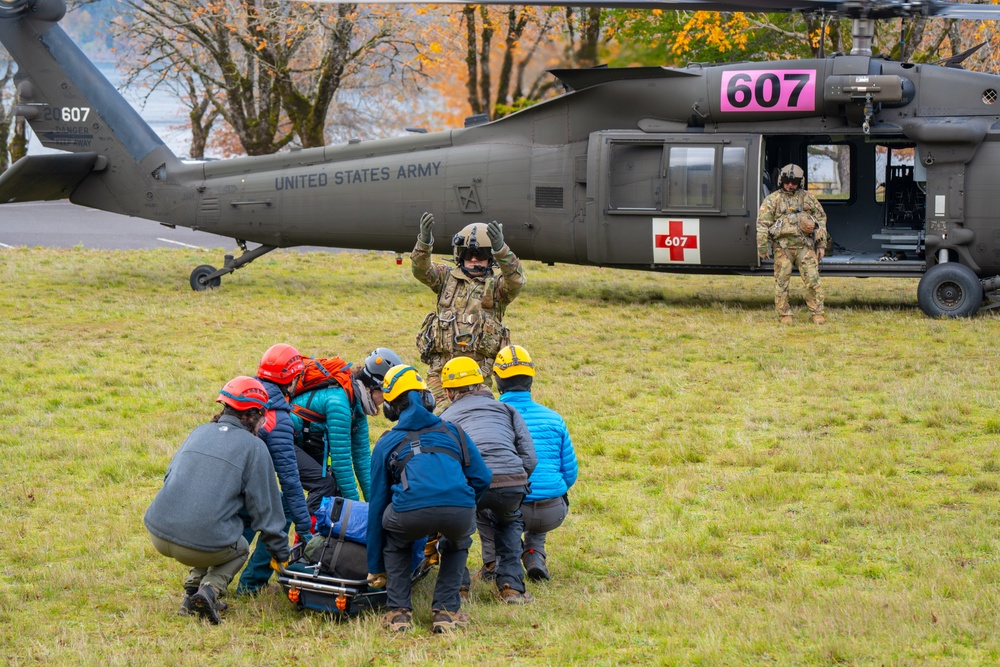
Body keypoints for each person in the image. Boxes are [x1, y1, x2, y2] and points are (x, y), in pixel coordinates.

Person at [144, 376, 290, 624]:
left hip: (158, 533)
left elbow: (169, 476)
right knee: (239, 546)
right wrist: (283, 555)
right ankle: (209, 591)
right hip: (198, 544)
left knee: (213, 527)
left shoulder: (199, 431)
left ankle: (191, 592)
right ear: (255, 414)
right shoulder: (255, 448)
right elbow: (268, 515)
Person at [367, 365, 492, 633]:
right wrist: (463, 507)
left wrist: (376, 566)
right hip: (459, 510)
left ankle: (398, 613)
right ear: (428, 399)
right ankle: (446, 611)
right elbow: (482, 477)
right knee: (457, 543)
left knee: (396, 540)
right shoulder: (454, 431)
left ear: (391, 410)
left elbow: (377, 504)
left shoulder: (387, 443)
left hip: (407, 514)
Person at [438, 356, 537, 604]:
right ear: (480, 384)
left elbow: (444, 460)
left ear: (449, 392)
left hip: (470, 484)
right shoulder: (507, 409)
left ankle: (458, 588)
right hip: (512, 480)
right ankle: (512, 588)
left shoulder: (445, 417)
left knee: (454, 530)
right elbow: (530, 457)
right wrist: (517, 481)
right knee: (509, 523)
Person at [411, 212, 526, 411]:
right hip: (441, 374)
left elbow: (516, 280)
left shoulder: (498, 287)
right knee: (442, 421)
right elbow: (420, 270)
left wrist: (501, 249)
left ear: (489, 258)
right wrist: (424, 241)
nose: (474, 260)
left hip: (478, 377)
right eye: (468, 254)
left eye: (480, 255)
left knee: (474, 420)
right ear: (459, 255)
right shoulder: (446, 278)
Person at [492, 344, 578, 582]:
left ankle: (493, 562)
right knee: (537, 512)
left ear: (497, 380)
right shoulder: (554, 418)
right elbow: (569, 473)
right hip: (554, 511)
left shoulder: (492, 417)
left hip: (511, 511)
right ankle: (534, 554)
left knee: (486, 503)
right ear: (531, 379)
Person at [236, 343, 312, 595]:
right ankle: (251, 584)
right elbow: (290, 480)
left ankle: (216, 579)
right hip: (249, 488)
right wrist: (304, 529)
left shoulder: (243, 398)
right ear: (291, 379)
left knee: (245, 515)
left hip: (228, 485)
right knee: (282, 508)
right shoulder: (278, 420)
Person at [290, 347, 403, 512]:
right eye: (387, 394)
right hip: (283, 439)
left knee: (332, 490)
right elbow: (341, 464)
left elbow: (362, 460)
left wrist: (377, 508)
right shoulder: (340, 403)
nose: (388, 401)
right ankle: (306, 536)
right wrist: (357, 511)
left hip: (306, 442)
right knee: (325, 485)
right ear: (372, 387)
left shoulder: (356, 407)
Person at [756, 163, 829, 325]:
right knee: (782, 282)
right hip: (783, 248)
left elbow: (821, 219)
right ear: (782, 180)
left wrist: (821, 244)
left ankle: (817, 312)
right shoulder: (773, 200)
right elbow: (762, 224)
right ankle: (784, 314)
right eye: (787, 181)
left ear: (800, 182)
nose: (790, 185)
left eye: (794, 182)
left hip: (805, 246)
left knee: (812, 280)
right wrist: (762, 246)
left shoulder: (808, 199)